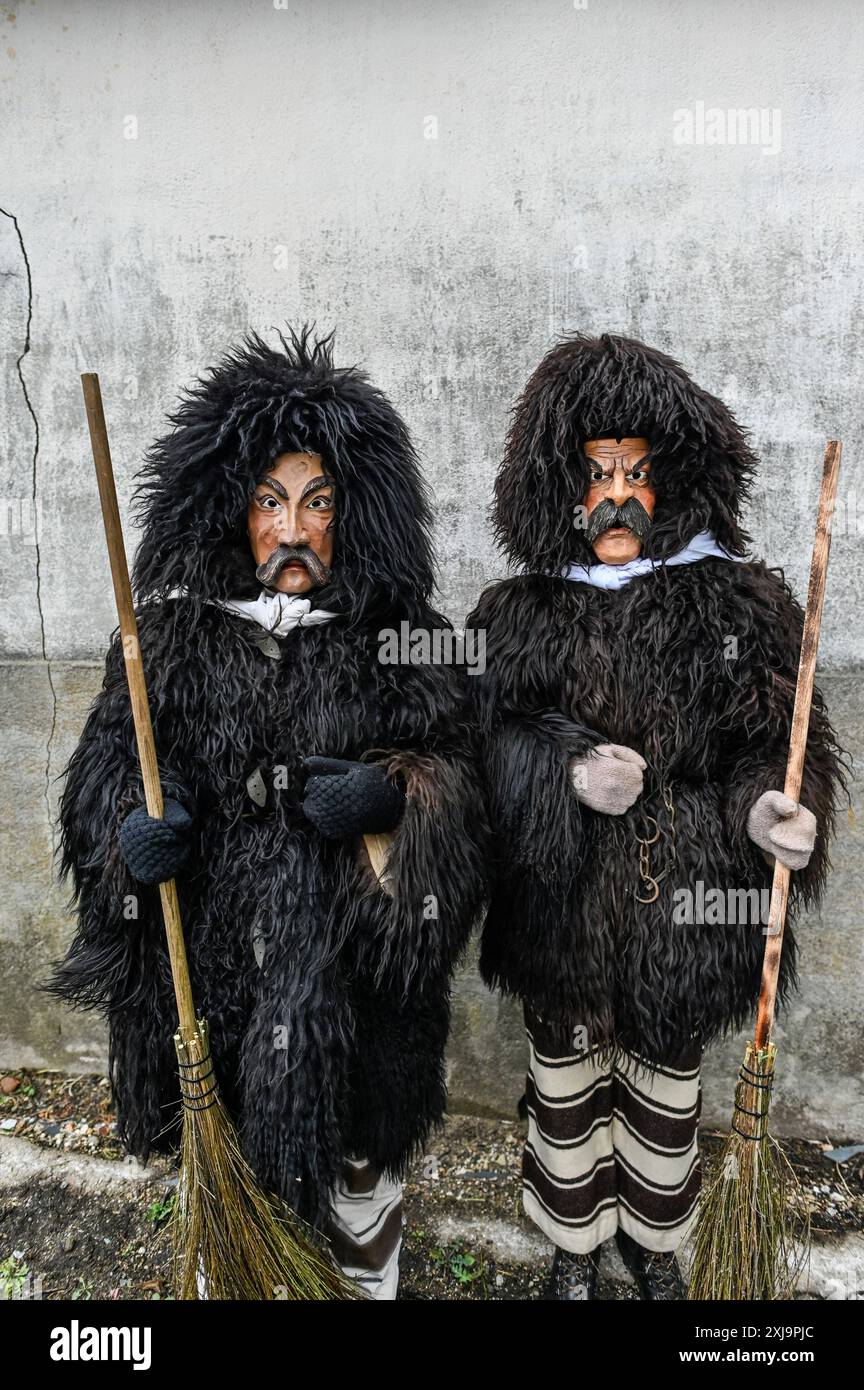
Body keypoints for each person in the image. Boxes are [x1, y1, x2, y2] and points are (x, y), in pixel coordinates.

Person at [47, 327, 487, 1300]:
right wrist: (132, 832)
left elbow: (463, 792)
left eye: (318, 502)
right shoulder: (167, 640)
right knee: (230, 1248)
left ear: (354, 513)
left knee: (361, 1225)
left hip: (356, 1027)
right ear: (233, 511)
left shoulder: (407, 644)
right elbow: (103, 777)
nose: (294, 528)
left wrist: (393, 802)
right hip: (218, 1004)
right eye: (271, 500)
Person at [468, 332, 843, 1300]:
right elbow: (483, 740)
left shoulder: (742, 599)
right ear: (559, 487)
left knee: (669, 1071)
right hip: (561, 898)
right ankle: (571, 1240)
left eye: (638, 473)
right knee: (565, 1071)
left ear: (677, 481)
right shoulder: (515, 610)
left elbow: (777, 737)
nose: (619, 496)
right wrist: (564, 767)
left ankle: (656, 1237)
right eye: (597, 475)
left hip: (693, 888)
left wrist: (774, 812)